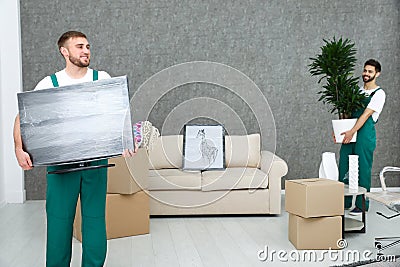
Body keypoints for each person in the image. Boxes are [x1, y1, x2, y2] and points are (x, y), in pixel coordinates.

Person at [13, 31, 136, 267]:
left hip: (96, 165)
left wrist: (126, 140)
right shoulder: (49, 83)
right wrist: (19, 148)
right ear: (64, 51)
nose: (86, 51)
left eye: (88, 46)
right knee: (59, 225)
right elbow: (22, 118)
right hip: (61, 168)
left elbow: (119, 116)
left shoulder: (102, 78)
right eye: (79, 46)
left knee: (94, 223)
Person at [338, 59, 386, 216]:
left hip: (364, 135)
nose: (366, 74)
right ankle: (343, 202)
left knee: (363, 168)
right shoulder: (357, 91)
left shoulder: (379, 94)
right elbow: (348, 114)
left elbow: (365, 115)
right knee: (344, 164)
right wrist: (339, 129)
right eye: (365, 70)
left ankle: (361, 205)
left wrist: (352, 131)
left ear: (377, 74)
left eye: (370, 71)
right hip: (350, 132)